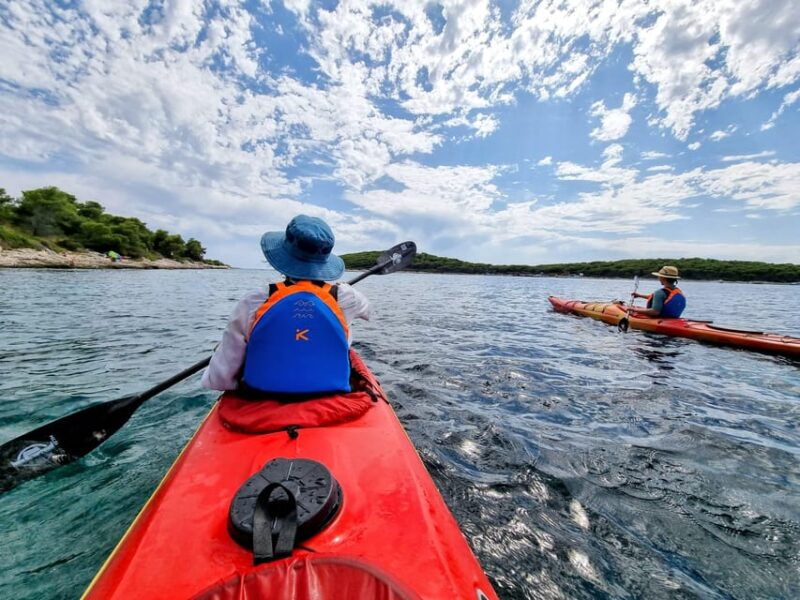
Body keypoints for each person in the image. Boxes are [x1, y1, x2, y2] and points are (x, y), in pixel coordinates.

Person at [201, 215, 370, 394]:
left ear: (284, 255)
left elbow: (219, 380)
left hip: (261, 396)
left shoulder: (253, 300)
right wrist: (341, 291)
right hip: (332, 394)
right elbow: (368, 312)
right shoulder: (347, 297)